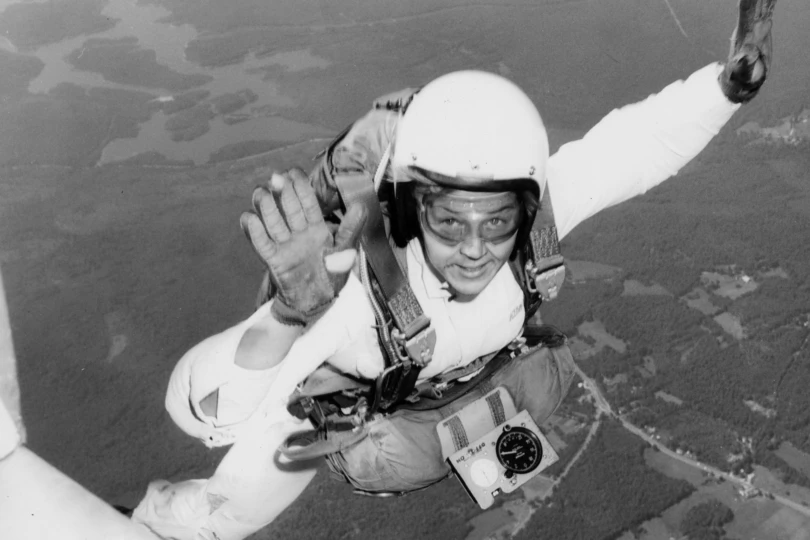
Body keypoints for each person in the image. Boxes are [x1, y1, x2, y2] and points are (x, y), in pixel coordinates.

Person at [130, 1, 776, 538]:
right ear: (409, 209)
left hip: (466, 394)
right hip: (357, 411)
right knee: (221, 513)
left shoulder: (538, 222)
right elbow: (212, 419)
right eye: (448, 221)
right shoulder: (352, 290)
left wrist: (726, 89)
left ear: (526, 205)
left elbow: (632, 146)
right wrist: (287, 314)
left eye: (497, 222)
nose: (475, 248)